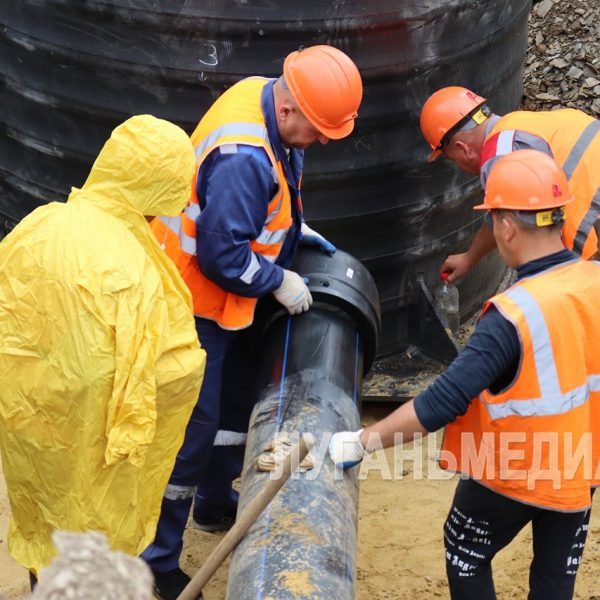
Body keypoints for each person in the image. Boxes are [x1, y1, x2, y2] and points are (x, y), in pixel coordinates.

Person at [329, 150, 600, 600]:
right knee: (555, 578)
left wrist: (360, 443)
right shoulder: (593, 278)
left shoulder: (515, 314)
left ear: (507, 227)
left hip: (511, 471)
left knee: (466, 553)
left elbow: (441, 402)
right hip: (579, 469)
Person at [146, 44, 363, 599]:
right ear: (290, 110)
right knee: (191, 432)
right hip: (194, 302)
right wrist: (278, 280)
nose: (318, 143)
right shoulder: (244, 154)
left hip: (225, 303)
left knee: (233, 405)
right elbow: (223, 257)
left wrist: (295, 233)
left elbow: (271, 195)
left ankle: (215, 504)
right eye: (316, 132)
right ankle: (157, 561)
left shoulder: (270, 97)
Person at [0, 116, 206, 583]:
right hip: (96, 451)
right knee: (91, 549)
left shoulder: (37, 226)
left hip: (30, 431)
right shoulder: (133, 266)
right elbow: (173, 371)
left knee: (44, 533)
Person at [419, 85, 600, 282]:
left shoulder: (502, 156)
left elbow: (526, 236)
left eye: (453, 159)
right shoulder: (546, 120)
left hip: (592, 246)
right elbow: (502, 215)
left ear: (463, 148)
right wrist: (469, 258)